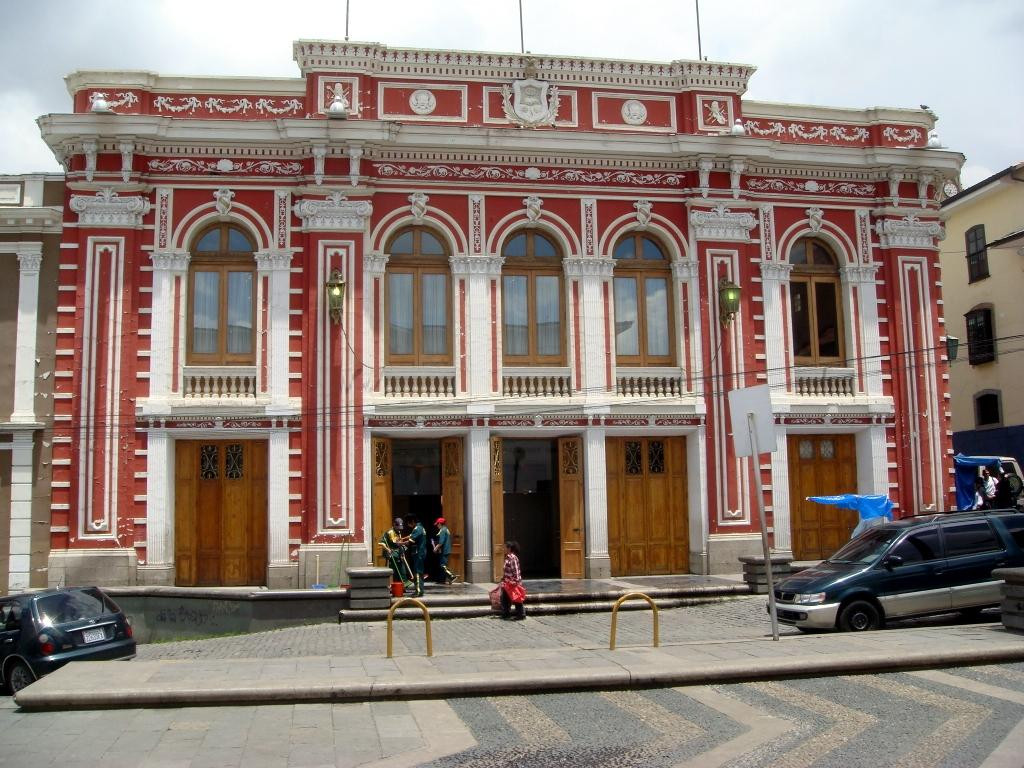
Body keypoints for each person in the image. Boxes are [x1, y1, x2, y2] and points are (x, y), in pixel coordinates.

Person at [380, 518, 413, 589]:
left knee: (401, 567)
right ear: (394, 525)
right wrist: (387, 549)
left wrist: (402, 551)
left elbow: (399, 543)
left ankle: (402, 584)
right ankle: (396, 585)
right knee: (394, 569)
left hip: (397, 552)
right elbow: (385, 543)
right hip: (391, 552)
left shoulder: (398, 531)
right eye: (398, 527)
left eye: (400, 528)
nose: (399, 529)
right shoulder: (390, 532)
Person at [500, 540, 526, 620]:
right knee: (505, 598)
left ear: (509, 548)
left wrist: (516, 582)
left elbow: (516, 571)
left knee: (517, 599)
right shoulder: (507, 557)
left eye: (505, 547)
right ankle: (506, 614)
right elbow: (507, 570)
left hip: (513, 583)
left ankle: (521, 614)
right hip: (507, 582)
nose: (503, 549)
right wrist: (503, 579)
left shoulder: (513, 558)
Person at [405, 515, 428, 597]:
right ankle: (420, 590)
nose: (408, 525)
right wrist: (403, 538)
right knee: (419, 571)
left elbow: (410, 541)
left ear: (413, 522)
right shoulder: (420, 527)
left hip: (419, 553)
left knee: (417, 572)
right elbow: (411, 535)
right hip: (420, 553)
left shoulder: (417, 529)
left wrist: (399, 543)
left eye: (409, 523)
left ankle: (418, 591)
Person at [433, 517, 456, 585]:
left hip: (444, 550)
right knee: (442, 565)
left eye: (437, 524)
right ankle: (442, 580)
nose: (437, 525)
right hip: (445, 550)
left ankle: (452, 576)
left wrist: (435, 548)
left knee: (443, 565)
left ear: (440, 523)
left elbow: (441, 542)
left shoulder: (443, 530)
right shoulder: (446, 529)